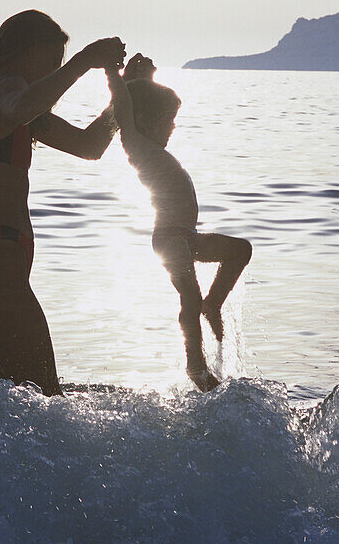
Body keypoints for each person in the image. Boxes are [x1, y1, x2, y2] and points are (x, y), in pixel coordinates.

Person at [0, 9, 125, 394]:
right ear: (26, 50)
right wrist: (84, 61)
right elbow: (22, 104)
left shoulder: (21, 113)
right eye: (52, 60)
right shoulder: (1, 91)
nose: (54, 70)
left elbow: (89, 146)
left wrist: (125, 94)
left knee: (16, 402)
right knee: (47, 396)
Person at [106, 67, 252, 392]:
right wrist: (113, 73)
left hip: (188, 237)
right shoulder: (136, 145)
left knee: (241, 249)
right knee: (189, 295)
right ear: (145, 120)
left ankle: (213, 305)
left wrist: (147, 77)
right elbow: (126, 112)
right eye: (168, 119)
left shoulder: (154, 148)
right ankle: (196, 366)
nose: (173, 126)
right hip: (169, 238)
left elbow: (139, 105)